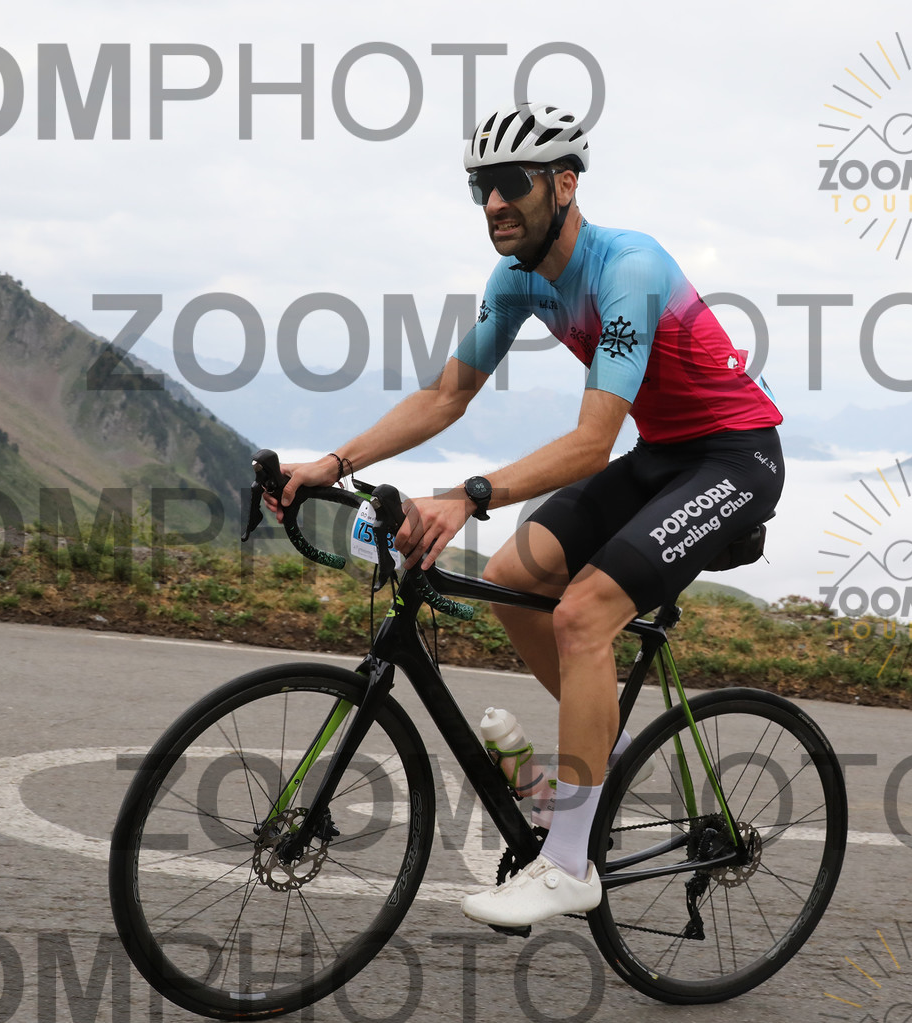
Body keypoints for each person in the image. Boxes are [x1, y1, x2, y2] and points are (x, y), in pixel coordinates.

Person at [267, 102, 785, 927]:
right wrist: (331, 465)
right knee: (512, 579)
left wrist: (467, 496)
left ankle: (570, 861)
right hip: (663, 456)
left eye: (511, 182)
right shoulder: (517, 281)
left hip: (734, 458)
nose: (494, 202)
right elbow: (447, 395)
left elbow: (590, 442)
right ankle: (602, 764)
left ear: (564, 185)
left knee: (582, 614)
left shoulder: (629, 268)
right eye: (482, 187)